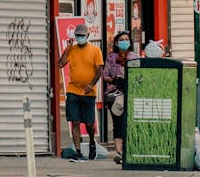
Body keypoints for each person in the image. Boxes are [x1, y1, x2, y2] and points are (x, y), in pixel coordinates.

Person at [58, 23, 104, 161]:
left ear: (87, 36)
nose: (80, 38)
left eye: (82, 35)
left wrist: (91, 85)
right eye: (77, 35)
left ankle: (91, 142)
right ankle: (78, 152)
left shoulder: (95, 50)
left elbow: (99, 70)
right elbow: (60, 64)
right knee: (75, 121)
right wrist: (68, 48)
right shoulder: (72, 50)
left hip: (88, 92)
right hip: (73, 90)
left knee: (89, 123)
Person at [103, 30, 139, 164]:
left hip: (131, 93)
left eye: (126, 39)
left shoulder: (135, 57)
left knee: (129, 122)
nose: (125, 42)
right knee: (117, 123)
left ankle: (129, 150)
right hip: (115, 94)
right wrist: (114, 81)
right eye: (122, 40)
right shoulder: (111, 57)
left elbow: (141, 75)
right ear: (117, 43)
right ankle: (119, 152)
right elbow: (105, 75)